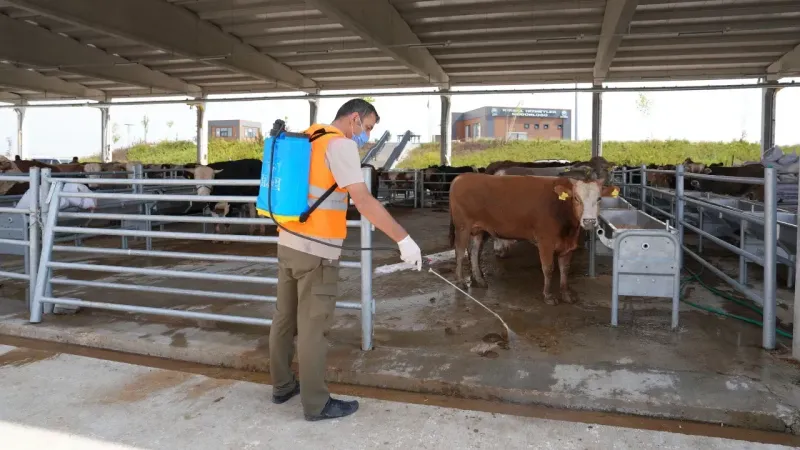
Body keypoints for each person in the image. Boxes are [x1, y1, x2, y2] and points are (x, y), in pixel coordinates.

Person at [269, 98, 422, 422]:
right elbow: (363, 201)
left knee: (284, 318)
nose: (364, 135)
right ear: (354, 118)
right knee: (313, 328)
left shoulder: (308, 137)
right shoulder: (340, 146)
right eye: (366, 128)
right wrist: (402, 239)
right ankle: (316, 404)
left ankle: (282, 385)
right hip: (318, 251)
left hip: (288, 242)